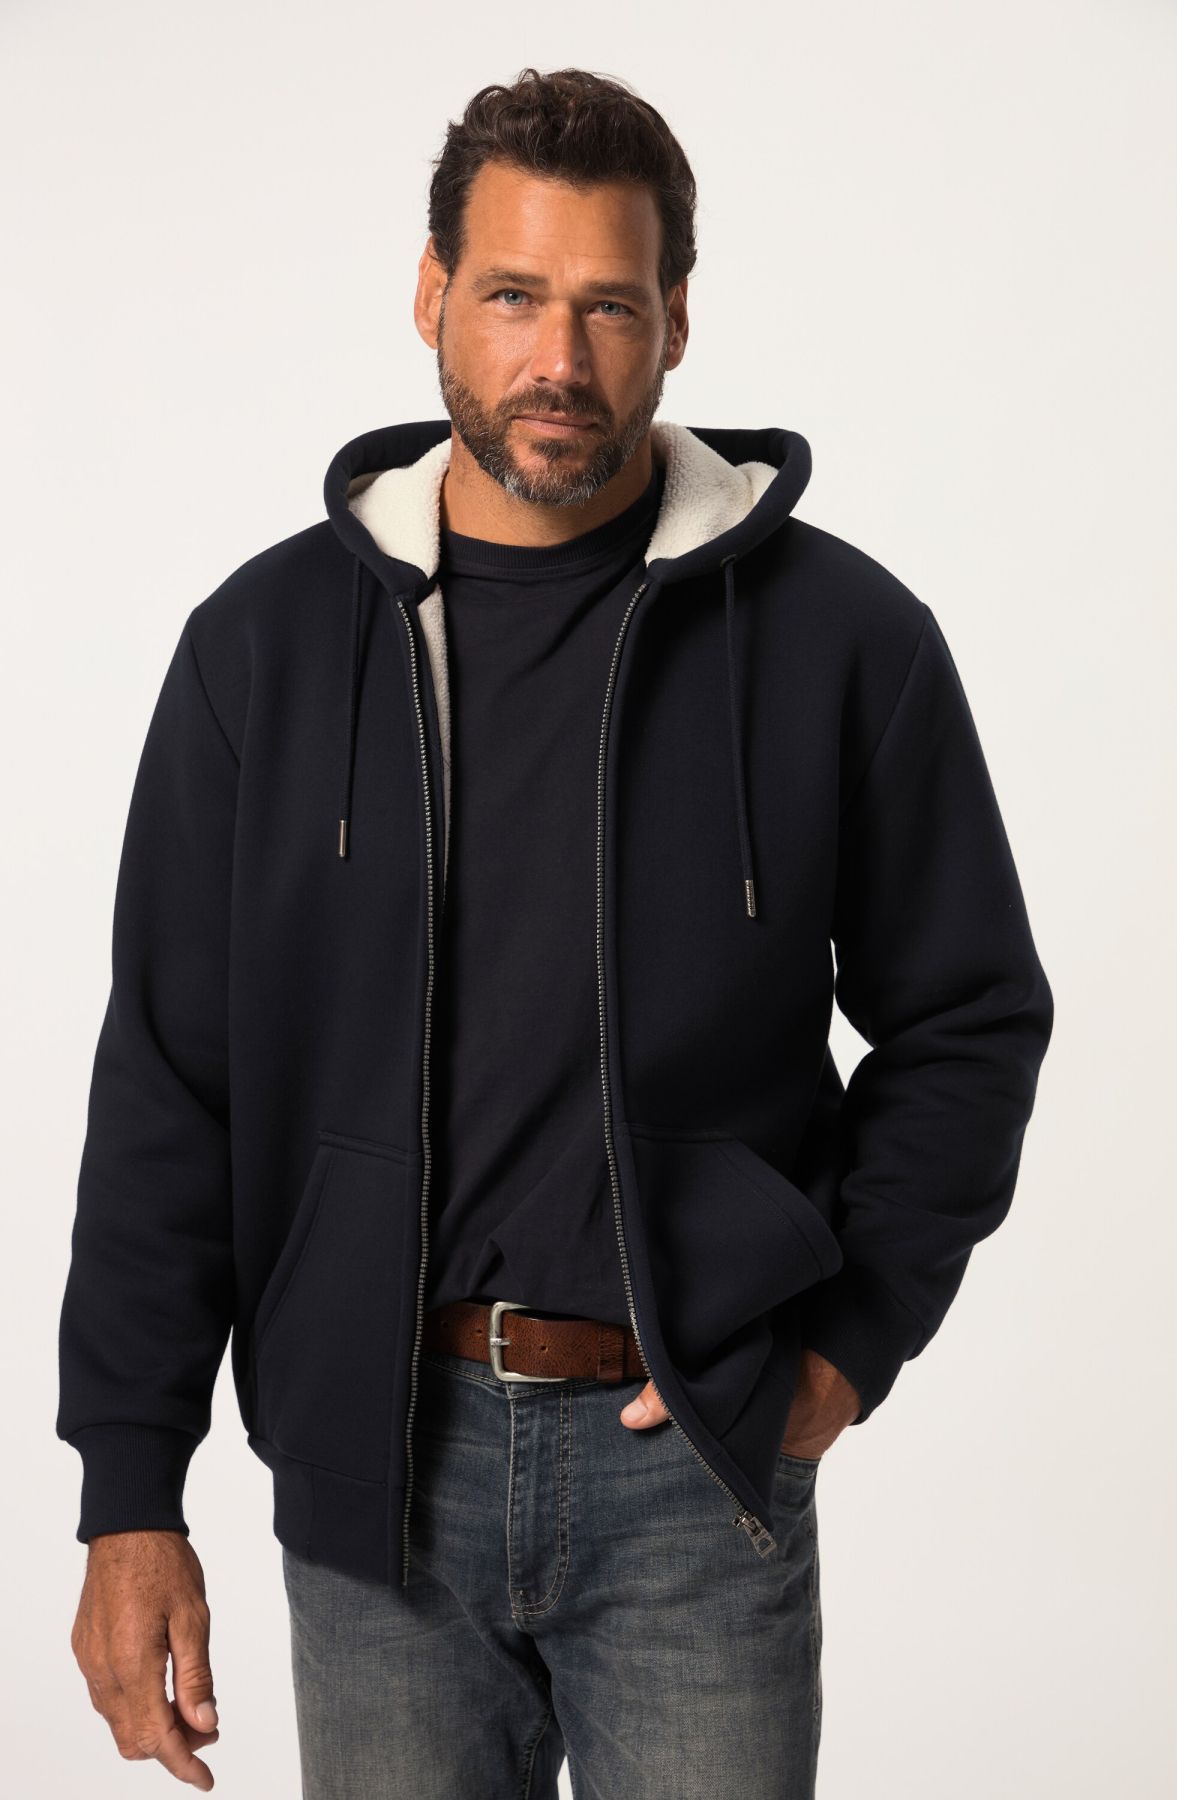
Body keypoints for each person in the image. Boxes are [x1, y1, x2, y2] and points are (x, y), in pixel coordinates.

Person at [57, 65, 1054, 1799]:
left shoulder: (843, 640)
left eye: (610, 306)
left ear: (677, 321)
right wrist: (129, 1490)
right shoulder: (263, 652)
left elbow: (968, 1018)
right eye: (514, 296)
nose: (559, 360)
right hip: (378, 1478)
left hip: (693, 1475)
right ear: (432, 294)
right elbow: (169, 1080)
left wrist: (847, 1345)